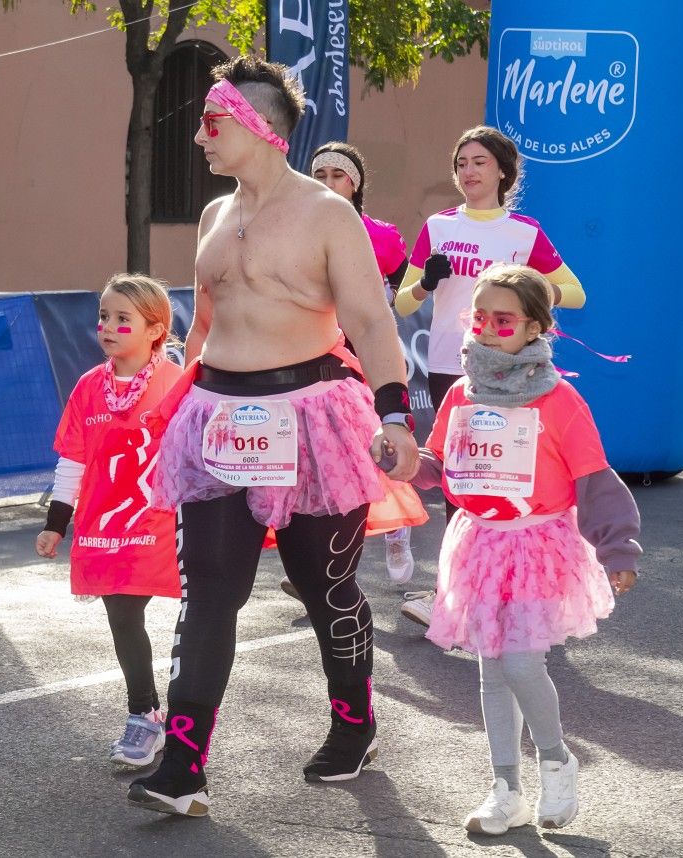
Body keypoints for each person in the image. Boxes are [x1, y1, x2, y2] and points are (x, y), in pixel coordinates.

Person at [125, 57, 419, 818]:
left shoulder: (327, 213)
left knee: (324, 587)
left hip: (311, 418)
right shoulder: (215, 215)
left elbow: (370, 321)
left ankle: (354, 725)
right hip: (219, 419)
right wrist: (173, 404)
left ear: (257, 127)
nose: (198, 137)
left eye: (211, 123)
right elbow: (205, 323)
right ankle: (184, 764)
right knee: (208, 596)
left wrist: (395, 417)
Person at [401, 263, 639, 834]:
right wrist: (408, 462)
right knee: (490, 667)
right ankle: (505, 787)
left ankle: (556, 760)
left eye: (501, 320)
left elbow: (594, 479)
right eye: (478, 317)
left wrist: (619, 549)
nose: (485, 329)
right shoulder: (461, 391)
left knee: (520, 662)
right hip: (479, 541)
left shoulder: (559, 400)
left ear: (535, 328)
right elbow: (440, 464)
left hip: (537, 544)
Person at [393, 125, 585, 628]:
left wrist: (530, 290)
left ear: (502, 170)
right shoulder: (437, 225)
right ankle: (454, 594)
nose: (468, 171)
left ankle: (518, 591)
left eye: (479, 162)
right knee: (463, 476)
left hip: (515, 372)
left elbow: (576, 292)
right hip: (450, 367)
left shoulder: (523, 232)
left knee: (509, 476)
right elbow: (402, 300)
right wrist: (426, 283)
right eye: (461, 163)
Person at [36, 274, 183, 767]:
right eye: (104, 316)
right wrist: (56, 523)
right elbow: (73, 460)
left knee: (158, 613)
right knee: (123, 616)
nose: (108, 326)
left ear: (155, 330)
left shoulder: (175, 384)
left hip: (160, 524)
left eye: (123, 318)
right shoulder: (87, 388)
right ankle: (147, 715)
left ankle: (177, 718)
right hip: (104, 526)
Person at [309, 141, 415, 584]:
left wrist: (413, 286)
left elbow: (402, 299)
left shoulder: (382, 236)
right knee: (324, 459)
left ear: (355, 184)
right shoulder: (298, 227)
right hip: (317, 356)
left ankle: (398, 532)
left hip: (367, 356)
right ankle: (317, 561)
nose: (330, 184)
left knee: (387, 444)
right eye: (320, 177)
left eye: (339, 176)